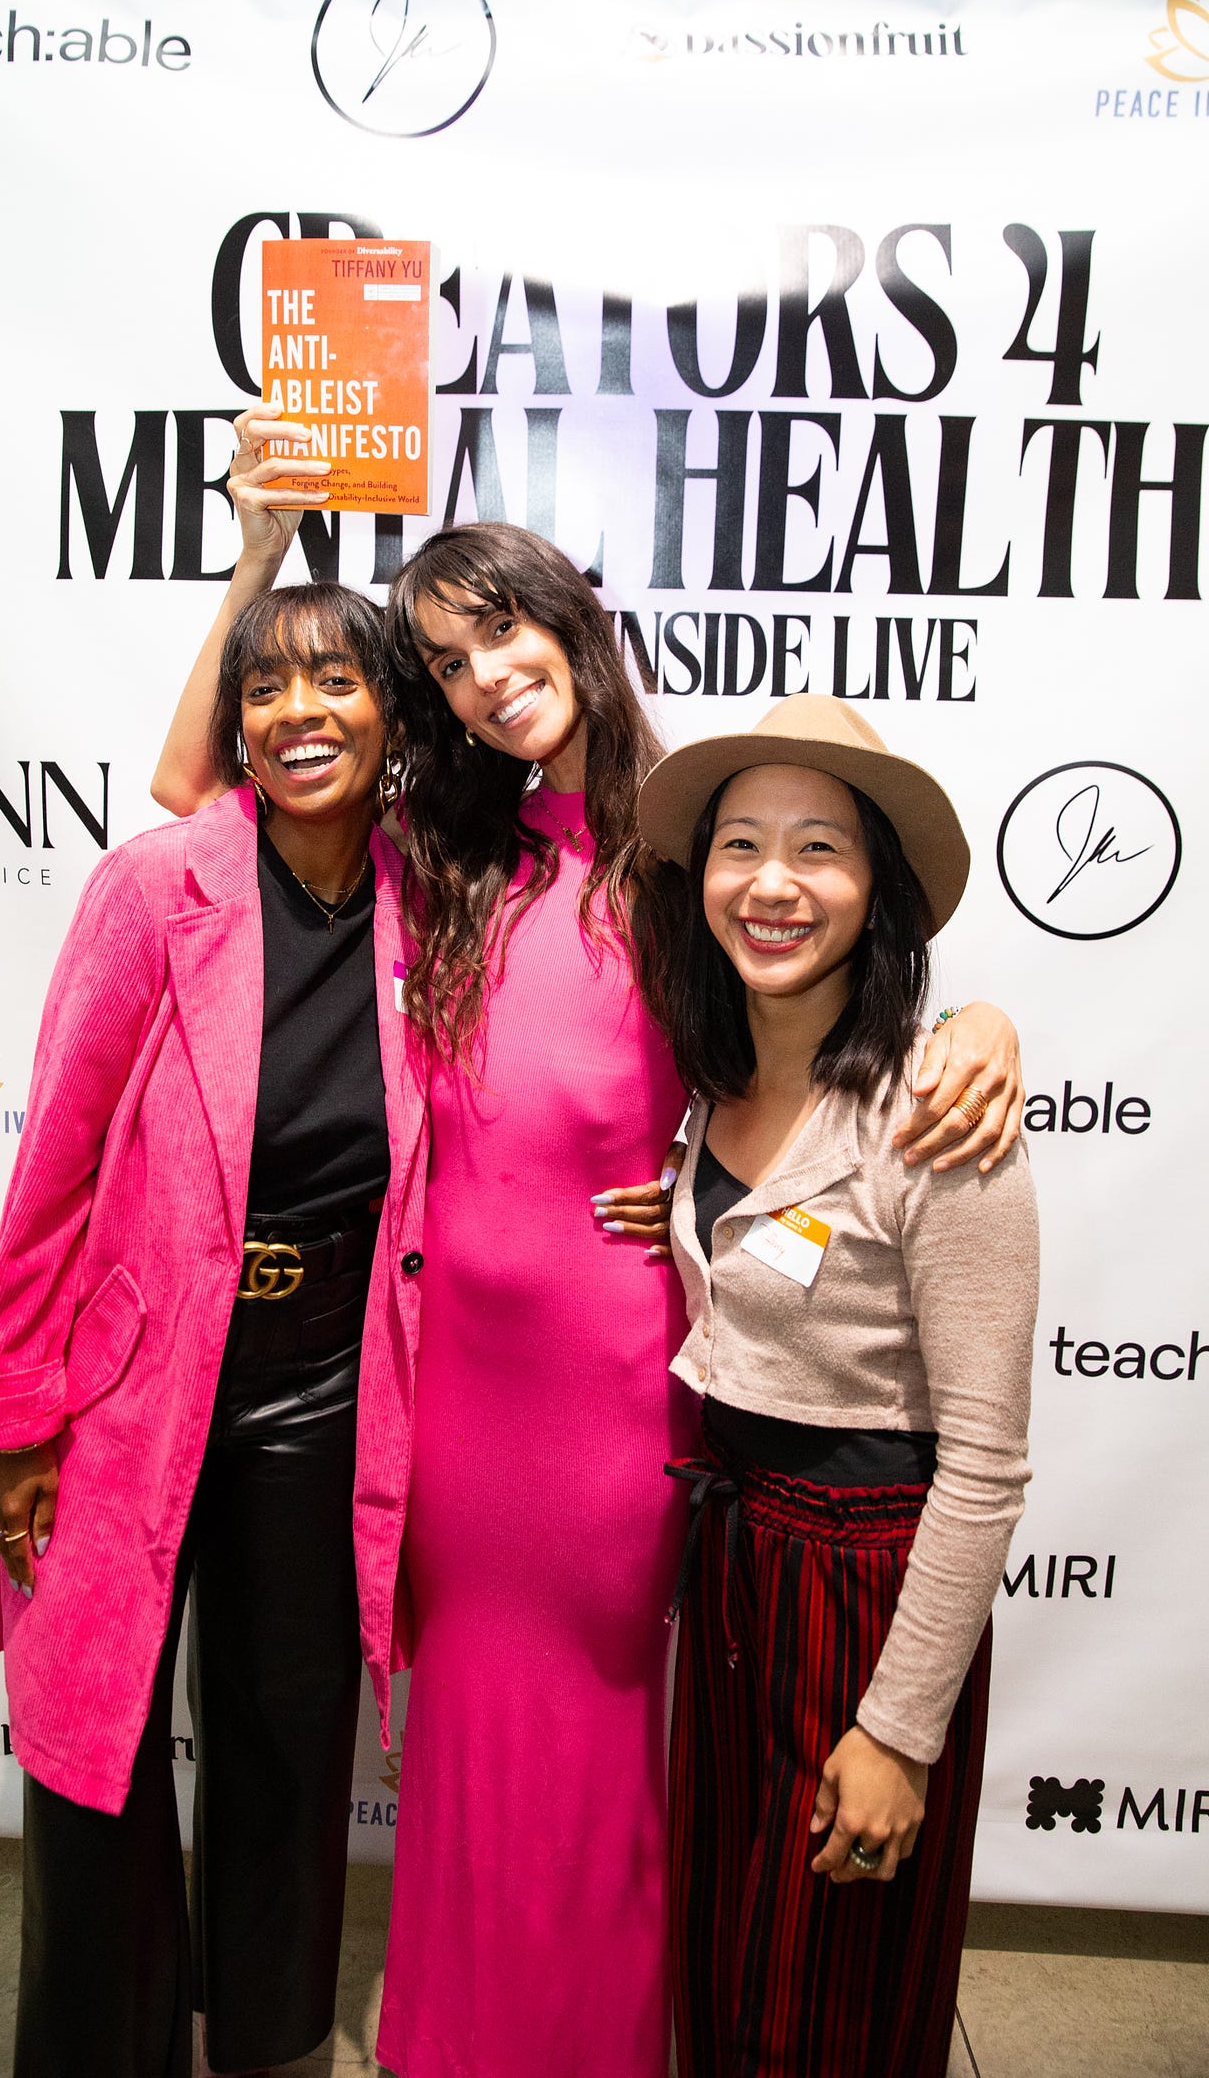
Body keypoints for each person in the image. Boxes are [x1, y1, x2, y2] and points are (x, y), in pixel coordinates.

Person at [153, 422, 1027, 2078]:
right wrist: (261, 558)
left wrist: (983, 1019)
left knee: (612, 1751)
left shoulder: (693, 847)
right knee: (472, 1749)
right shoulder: (445, 857)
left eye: (505, 629)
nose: (485, 677)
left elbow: (846, 973)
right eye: (446, 660)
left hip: (622, 1387)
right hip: (449, 1393)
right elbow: (200, 802)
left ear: (573, 621)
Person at [0, 581, 430, 2078]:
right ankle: (102, 2046)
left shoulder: (445, 900)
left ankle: (270, 2037)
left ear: (394, 713)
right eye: (269, 687)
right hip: (133, 1376)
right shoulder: (158, 885)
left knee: (291, 1739)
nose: (301, 711)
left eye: (337, 680)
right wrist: (14, 1415)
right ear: (237, 722)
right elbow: (57, 1162)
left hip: (329, 1377)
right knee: (93, 1736)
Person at [635, 697, 1038, 2078]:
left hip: (865, 1586)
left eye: (820, 849)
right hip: (737, 1560)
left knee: (834, 1995)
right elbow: (764, 1259)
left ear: (879, 892)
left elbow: (985, 1464)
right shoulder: (716, 1089)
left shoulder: (943, 1115)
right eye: (741, 845)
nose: (773, 882)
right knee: (725, 1971)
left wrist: (898, 1728)